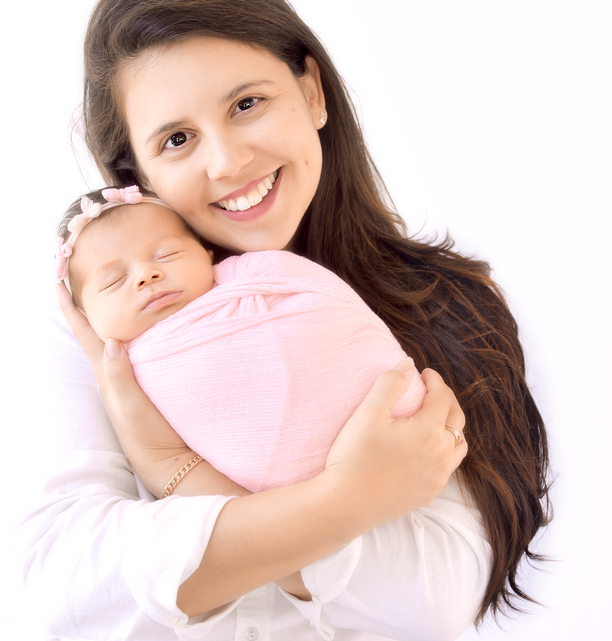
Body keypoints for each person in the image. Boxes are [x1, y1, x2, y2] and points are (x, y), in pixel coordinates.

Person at [22, 0, 550, 641]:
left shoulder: (450, 307)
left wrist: (168, 465)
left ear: (311, 92)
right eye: (176, 139)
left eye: (247, 104)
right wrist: (347, 503)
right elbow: (65, 577)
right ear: (136, 175)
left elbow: (438, 595)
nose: (227, 161)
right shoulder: (99, 318)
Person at [53, 185, 429, 494]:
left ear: (207, 253)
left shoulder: (262, 274)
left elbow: (335, 315)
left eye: (166, 254)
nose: (145, 275)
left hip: (409, 431)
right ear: (84, 316)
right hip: (285, 512)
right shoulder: (116, 376)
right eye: (115, 281)